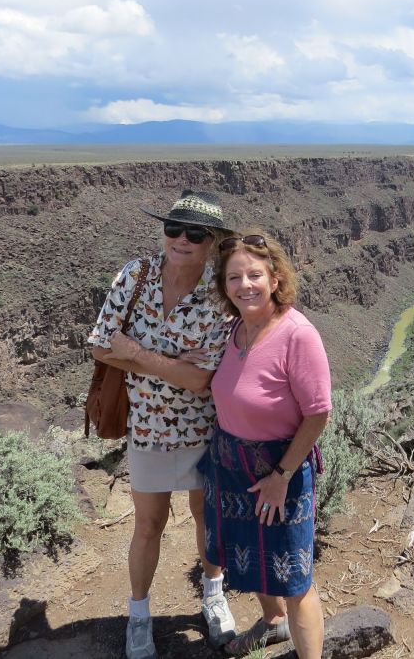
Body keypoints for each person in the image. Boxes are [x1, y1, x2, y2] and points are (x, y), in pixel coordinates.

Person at [88, 189, 237, 659]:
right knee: (148, 525)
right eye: (174, 228)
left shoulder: (220, 293)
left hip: (203, 430)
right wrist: (167, 361)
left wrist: (134, 352)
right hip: (148, 429)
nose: (182, 239)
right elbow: (98, 346)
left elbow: (198, 382)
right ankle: (138, 617)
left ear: (212, 241)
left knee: (205, 519)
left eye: (196, 233)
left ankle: (213, 597)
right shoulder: (136, 276)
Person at [195, 231, 330, 658]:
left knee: (295, 579)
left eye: (255, 274)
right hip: (230, 465)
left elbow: (318, 413)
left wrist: (282, 476)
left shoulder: (296, 334)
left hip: (278, 471)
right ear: (224, 286)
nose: (244, 285)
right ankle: (272, 623)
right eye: (234, 277)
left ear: (275, 278)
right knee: (247, 559)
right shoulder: (235, 328)